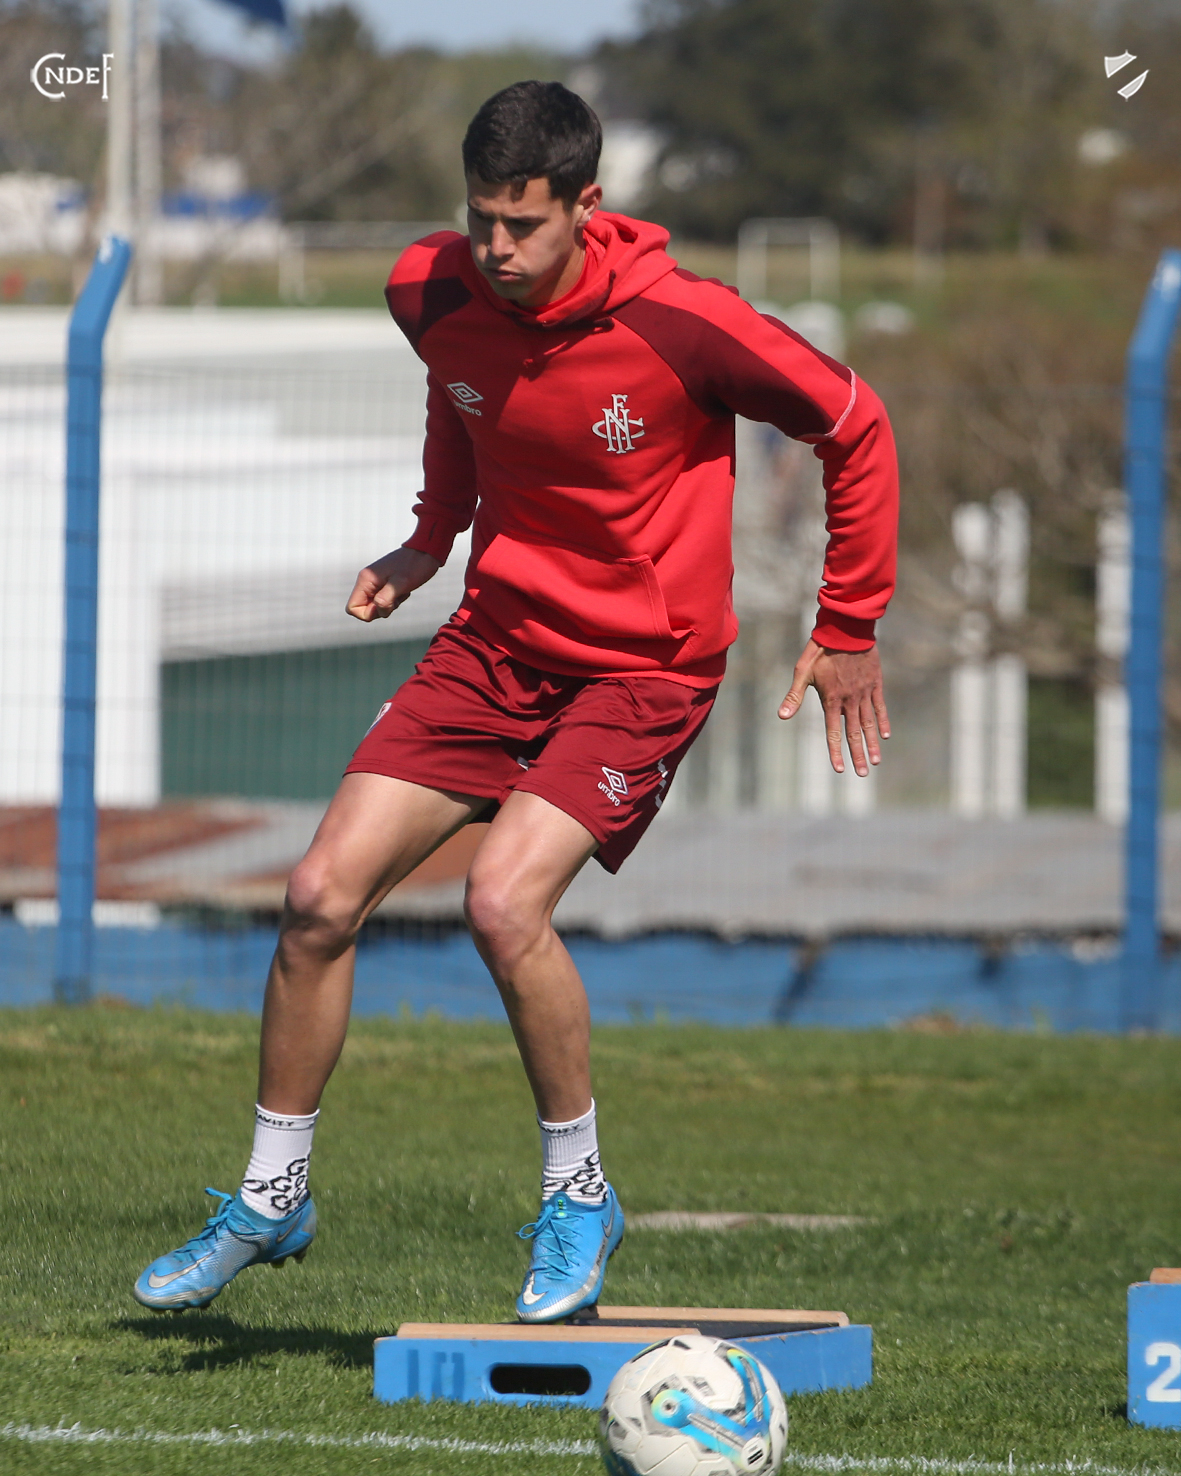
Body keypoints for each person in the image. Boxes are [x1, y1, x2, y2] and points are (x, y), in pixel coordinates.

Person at [133, 80, 897, 1323]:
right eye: (479, 218)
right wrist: (431, 537)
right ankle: (271, 1197)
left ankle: (578, 1195)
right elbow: (461, 392)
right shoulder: (428, 290)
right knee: (317, 898)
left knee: (499, 903)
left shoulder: (686, 323)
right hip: (493, 646)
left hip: (641, 669)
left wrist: (848, 623)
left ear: (586, 206)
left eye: (523, 224)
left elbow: (854, 427)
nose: (495, 248)